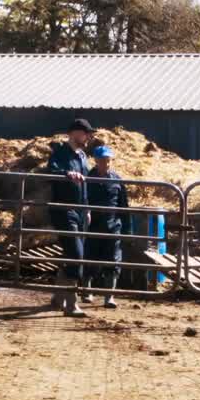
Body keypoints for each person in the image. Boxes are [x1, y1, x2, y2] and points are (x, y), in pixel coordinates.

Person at [44, 117, 94, 317]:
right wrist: (67, 174)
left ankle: (57, 298)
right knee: (76, 255)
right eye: (86, 133)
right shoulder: (60, 154)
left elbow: (85, 183)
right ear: (74, 133)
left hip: (80, 211)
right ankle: (71, 304)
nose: (89, 137)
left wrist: (87, 209)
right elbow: (51, 171)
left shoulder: (82, 156)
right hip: (64, 211)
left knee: (71, 254)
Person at [83, 145, 132, 309]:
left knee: (113, 260)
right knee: (90, 257)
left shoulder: (117, 179)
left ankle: (109, 296)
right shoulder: (87, 179)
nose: (106, 163)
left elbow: (124, 206)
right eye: (102, 160)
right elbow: (81, 200)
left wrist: (127, 229)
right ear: (95, 161)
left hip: (113, 226)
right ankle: (87, 291)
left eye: (108, 160)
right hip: (92, 226)